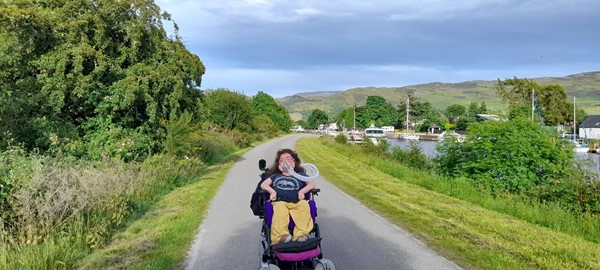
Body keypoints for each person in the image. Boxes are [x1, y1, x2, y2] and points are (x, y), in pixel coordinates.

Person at [260, 148, 315, 245]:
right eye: (281, 160)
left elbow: (311, 184)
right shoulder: (275, 176)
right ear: (278, 164)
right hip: (280, 201)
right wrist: (272, 192)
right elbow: (263, 185)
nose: (285, 161)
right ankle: (281, 236)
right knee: (280, 208)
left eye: (288, 159)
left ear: (294, 162)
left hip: (297, 201)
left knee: (304, 205)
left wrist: (302, 191)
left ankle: (301, 234)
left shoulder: (300, 175)